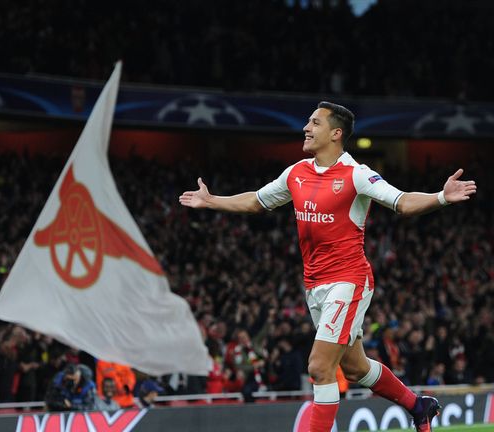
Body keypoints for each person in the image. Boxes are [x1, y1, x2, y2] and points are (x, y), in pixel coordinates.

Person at [180, 101, 476, 432]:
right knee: (354, 367)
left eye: (314, 123)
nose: (306, 128)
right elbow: (256, 201)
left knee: (320, 367)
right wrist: (211, 200)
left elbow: (402, 201)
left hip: (348, 281)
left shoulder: (357, 174)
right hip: (315, 285)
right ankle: (417, 406)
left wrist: (440, 197)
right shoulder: (296, 173)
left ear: (336, 134)